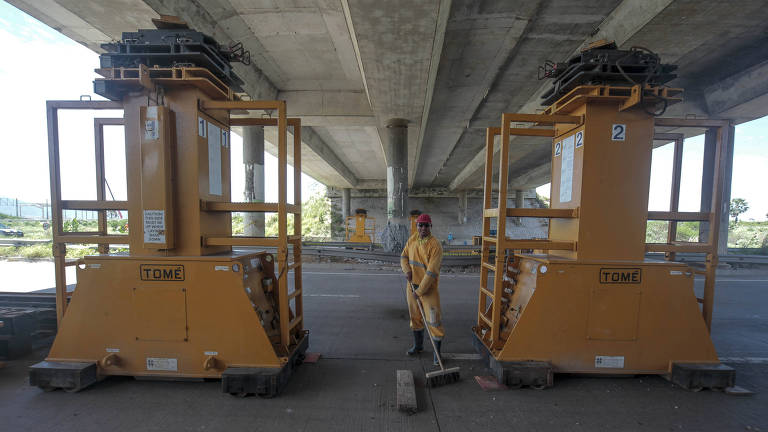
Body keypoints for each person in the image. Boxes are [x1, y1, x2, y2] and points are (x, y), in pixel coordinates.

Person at [400, 213, 445, 364]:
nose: (423, 228)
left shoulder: (435, 246)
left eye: (426, 225)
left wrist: (419, 293)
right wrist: (407, 270)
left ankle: (437, 354)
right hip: (412, 285)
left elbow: (431, 272)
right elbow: (403, 257)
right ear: (417, 226)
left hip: (428, 289)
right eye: (420, 225)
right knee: (415, 317)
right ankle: (418, 346)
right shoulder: (412, 239)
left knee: (434, 321)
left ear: (430, 227)